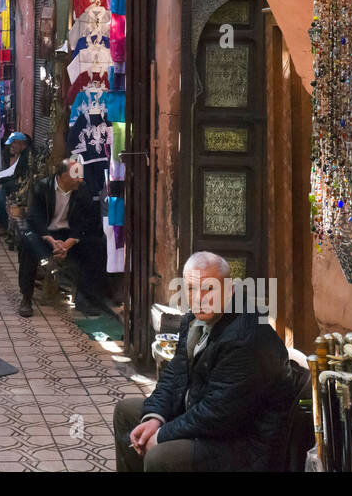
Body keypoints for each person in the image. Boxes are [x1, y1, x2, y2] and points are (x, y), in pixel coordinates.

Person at [112, 251, 293, 472]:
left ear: (230, 290)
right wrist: (155, 418)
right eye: (191, 288)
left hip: (240, 443)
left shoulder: (245, 336)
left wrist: (161, 436)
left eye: (210, 289)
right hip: (205, 420)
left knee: (161, 456)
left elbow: (217, 414)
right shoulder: (193, 319)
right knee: (128, 413)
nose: (199, 298)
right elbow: (173, 377)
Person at [17, 158, 112, 318]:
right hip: (46, 235)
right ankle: (26, 298)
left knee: (97, 247)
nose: (80, 179)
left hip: (68, 236)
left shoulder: (82, 190)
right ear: (61, 176)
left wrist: (70, 242)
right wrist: (49, 239)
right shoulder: (43, 187)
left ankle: (84, 298)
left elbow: (86, 221)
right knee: (27, 244)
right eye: (75, 174)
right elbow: (34, 217)